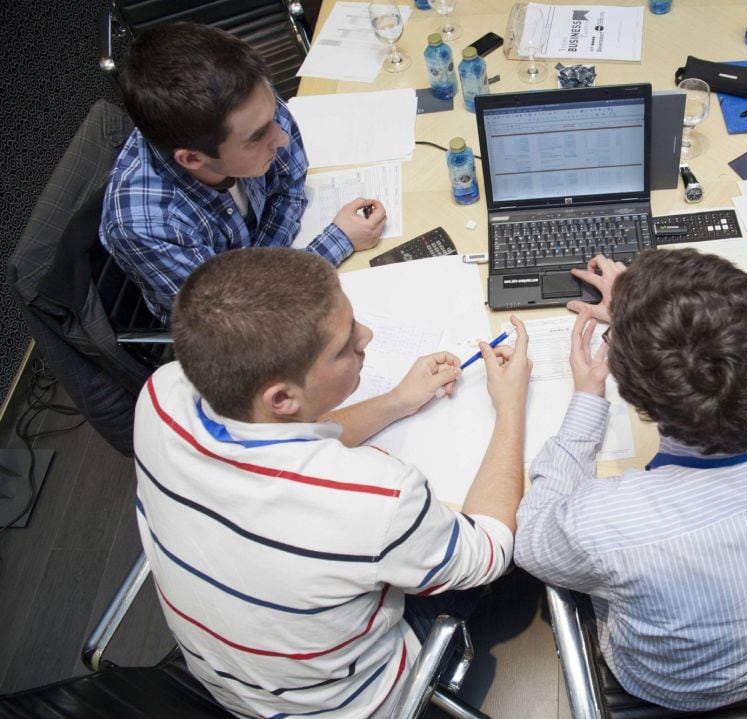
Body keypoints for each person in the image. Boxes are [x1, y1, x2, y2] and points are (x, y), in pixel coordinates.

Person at [134, 247, 531, 718]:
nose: (366, 336)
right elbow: (488, 549)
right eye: (344, 345)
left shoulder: (162, 393)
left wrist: (396, 402)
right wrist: (510, 409)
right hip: (349, 705)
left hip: (236, 680)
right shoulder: (376, 497)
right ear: (282, 396)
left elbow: (281, 440)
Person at [515, 250, 747, 711]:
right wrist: (642, 313)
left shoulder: (607, 522)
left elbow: (531, 540)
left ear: (634, 391)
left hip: (676, 692)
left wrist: (587, 399)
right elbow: (728, 369)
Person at [100, 22, 387, 322]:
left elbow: (290, 184)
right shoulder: (146, 225)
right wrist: (336, 241)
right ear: (193, 159)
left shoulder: (245, 96)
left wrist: (265, 272)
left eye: (273, 112)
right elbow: (239, 318)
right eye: (256, 138)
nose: (281, 138)